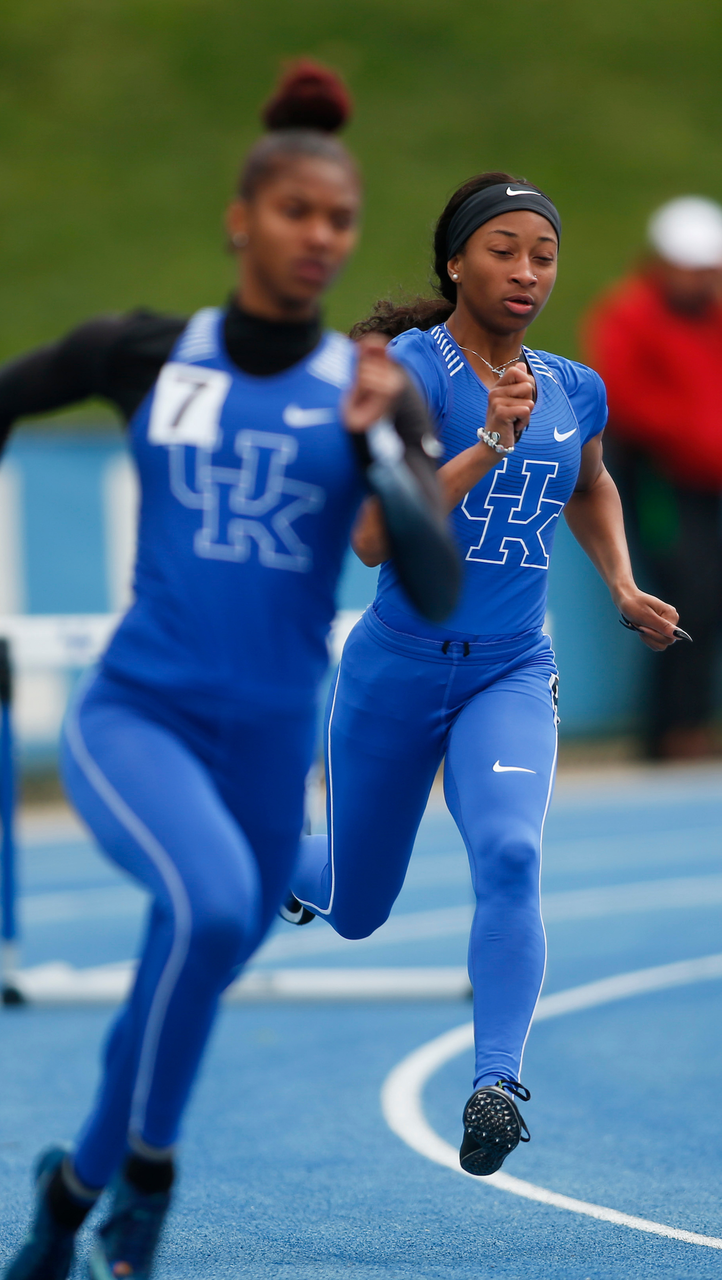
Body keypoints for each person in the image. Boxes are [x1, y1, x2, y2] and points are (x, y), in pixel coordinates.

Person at [0, 64, 460, 1280]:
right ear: (241, 218)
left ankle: (71, 1189)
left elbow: (434, 575)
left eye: (340, 220)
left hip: (268, 749)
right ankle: (149, 1184)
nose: (320, 237)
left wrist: (381, 445)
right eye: (296, 213)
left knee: (179, 975)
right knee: (212, 909)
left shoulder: (372, 392)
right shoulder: (148, 355)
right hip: (138, 717)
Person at [285, 171, 682, 1178]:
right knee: (355, 903)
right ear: (454, 259)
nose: (525, 270)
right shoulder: (407, 373)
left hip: (509, 670)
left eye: (542, 253)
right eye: (502, 248)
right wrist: (487, 442)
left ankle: (496, 1083)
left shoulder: (573, 385)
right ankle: (262, 852)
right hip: (396, 672)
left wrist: (623, 583)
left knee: (509, 854)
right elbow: (376, 538)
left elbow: (589, 484)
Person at [583, 196, 722, 759]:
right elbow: (626, 399)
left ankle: (690, 722)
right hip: (658, 477)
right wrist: (700, 440)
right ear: (662, 262)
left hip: (709, 480)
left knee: (711, 592)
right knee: (683, 589)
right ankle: (668, 730)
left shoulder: (714, 316)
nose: (701, 279)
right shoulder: (627, 314)